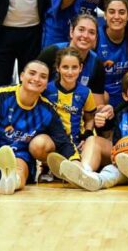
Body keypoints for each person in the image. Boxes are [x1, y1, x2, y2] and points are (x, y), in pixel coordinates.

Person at [0, 60, 80, 195]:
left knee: (19, 169)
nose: (36, 79)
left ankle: (11, 180)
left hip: (20, 154)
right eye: (32, 73)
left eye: (43, 76)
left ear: (46, 84)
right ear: (22, 76)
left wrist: (75, 161)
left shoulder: (47, 110)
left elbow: (63, 139)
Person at [40, 47, 97, 182]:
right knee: (40, 143)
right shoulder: (46, 89)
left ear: (81, 68)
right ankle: (48, 167)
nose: (70, 72)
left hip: (76, 143)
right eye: (65, 67)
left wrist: (86, 135)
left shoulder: (85, 92)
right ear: (58, 68)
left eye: (74, 67)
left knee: (93, 141)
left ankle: (83, 171)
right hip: (54, 142)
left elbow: (90, 118)